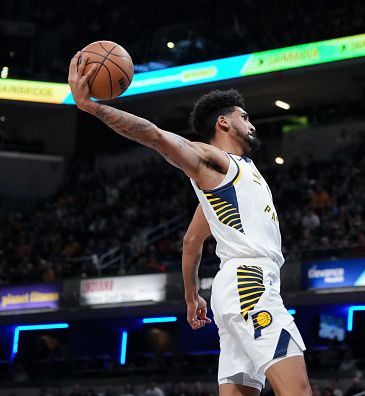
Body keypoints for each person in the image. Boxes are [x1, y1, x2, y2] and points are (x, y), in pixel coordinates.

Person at [68, 54, 311, 396]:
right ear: (223, 124)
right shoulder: (214, 162)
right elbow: (154, 135)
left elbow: (191, 242)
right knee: (297, 390)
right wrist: (90, 106)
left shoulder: (231, 181)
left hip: (234, 290)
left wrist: (191, 295)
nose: (252, 124)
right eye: (244, 117)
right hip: (250, 283)